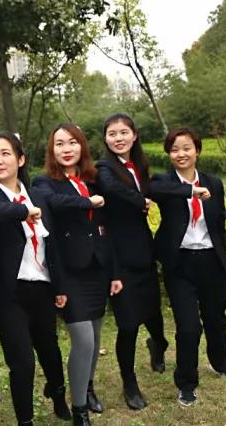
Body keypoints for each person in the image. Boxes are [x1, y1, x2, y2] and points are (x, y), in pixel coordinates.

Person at [0, 133, 71, 426]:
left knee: (50, 351)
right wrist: (22, 211)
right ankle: (25, 420)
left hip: (42, 288)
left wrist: (59, 286)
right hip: (8, 294)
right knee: (22, 362)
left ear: (21, 159)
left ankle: (58, 396)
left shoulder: (37, 194)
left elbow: (52, 245)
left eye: (5, 153)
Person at [32, 124, 123, 426]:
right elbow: (54, 204)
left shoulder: (93, 181)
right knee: (83, 341)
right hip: (68, 272)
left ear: (82, 146)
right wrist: (87, 202)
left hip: (97, 269)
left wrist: (114, 272)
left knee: (94, 340)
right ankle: (80, 409)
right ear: (52, 150)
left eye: (72, 142)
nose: (66, 148)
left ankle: (87, 387)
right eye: (59, 143)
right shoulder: (43, 183)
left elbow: (106, 230)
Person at [149, 128, 226, 407]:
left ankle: (220, 363)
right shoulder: (163, 182)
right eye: (174, 149)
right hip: (180, 264)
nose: (181, 154)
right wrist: (190, 190)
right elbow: (152, 190)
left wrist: (222, 258)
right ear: (169, 154)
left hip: (211, 261)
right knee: (188, 327)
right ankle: (186, 383)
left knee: (216, 318)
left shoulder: (214, 183)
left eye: (186, 148)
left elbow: (218, 223)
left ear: (197, 150)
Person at [95, 113, 169, 410]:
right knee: (128, 325)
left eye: (124, 132)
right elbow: (111, 188)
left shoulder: (139, 166)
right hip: (118, 257)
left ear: (134, 135)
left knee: (154, 315)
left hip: (144, 252)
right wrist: (142, 201)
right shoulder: (103, 167)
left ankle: (159, 344)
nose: (119, 138)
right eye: (112, 133)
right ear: (105, 138)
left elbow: (155, 187)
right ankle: (130, 382)